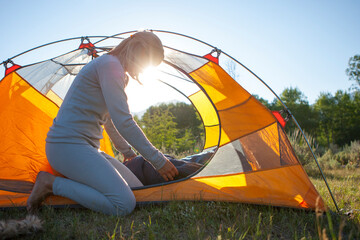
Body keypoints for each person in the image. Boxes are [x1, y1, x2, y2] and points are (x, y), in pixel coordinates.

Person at [26, 31, 179, 216]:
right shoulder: (109, 65)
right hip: (66, 146)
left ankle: (81, 182)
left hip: (88, 149)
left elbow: (110, 121)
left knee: (138, 190)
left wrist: (126, 152)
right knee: (124, 204)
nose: (140, 71)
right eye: (145, 64)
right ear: (138, 50)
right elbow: (124, 121)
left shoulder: (117, 71)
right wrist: (158, 161)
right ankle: (50, 184)